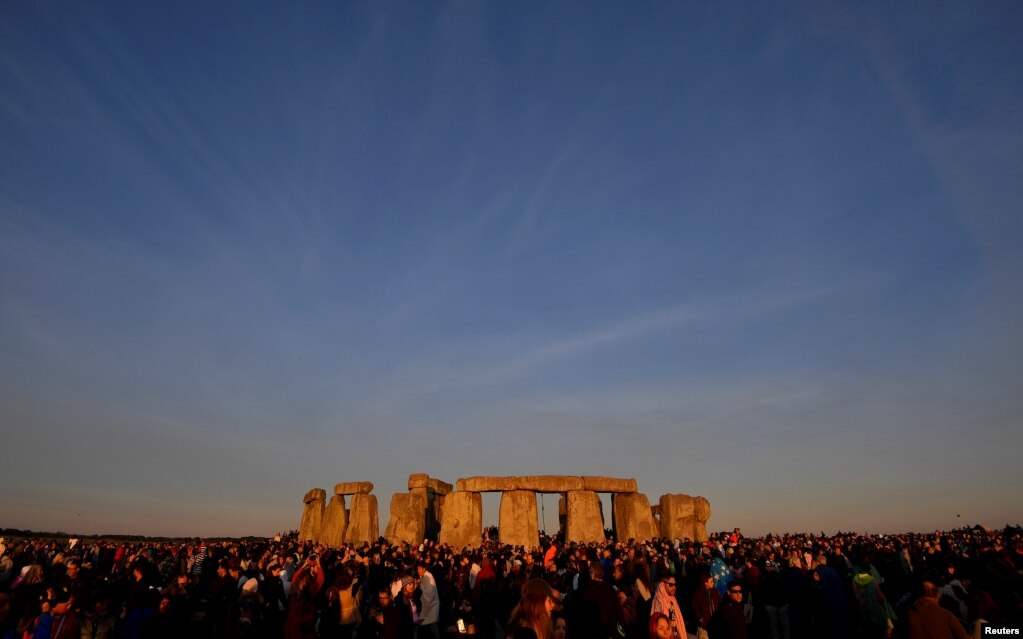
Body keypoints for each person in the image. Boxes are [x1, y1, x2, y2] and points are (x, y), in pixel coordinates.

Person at [691, 572, 721, 639]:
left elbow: (719, 602)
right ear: (705, 583)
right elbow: (695, 606)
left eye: (712, 581)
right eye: (711, 582)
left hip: (714, 621)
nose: (713, 583)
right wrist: (700, 618)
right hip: (705, 623)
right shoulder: (699, 593)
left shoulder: (714, 591)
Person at [417, 561, 440, 639]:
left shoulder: (428, 577)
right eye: (417, 569)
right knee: (430, 625)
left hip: (432, 604)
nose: (418, 571)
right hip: (429, 603)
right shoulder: (423, 576)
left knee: (433, 624)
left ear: (424, 569)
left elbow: (429, 593)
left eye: (419, 569)